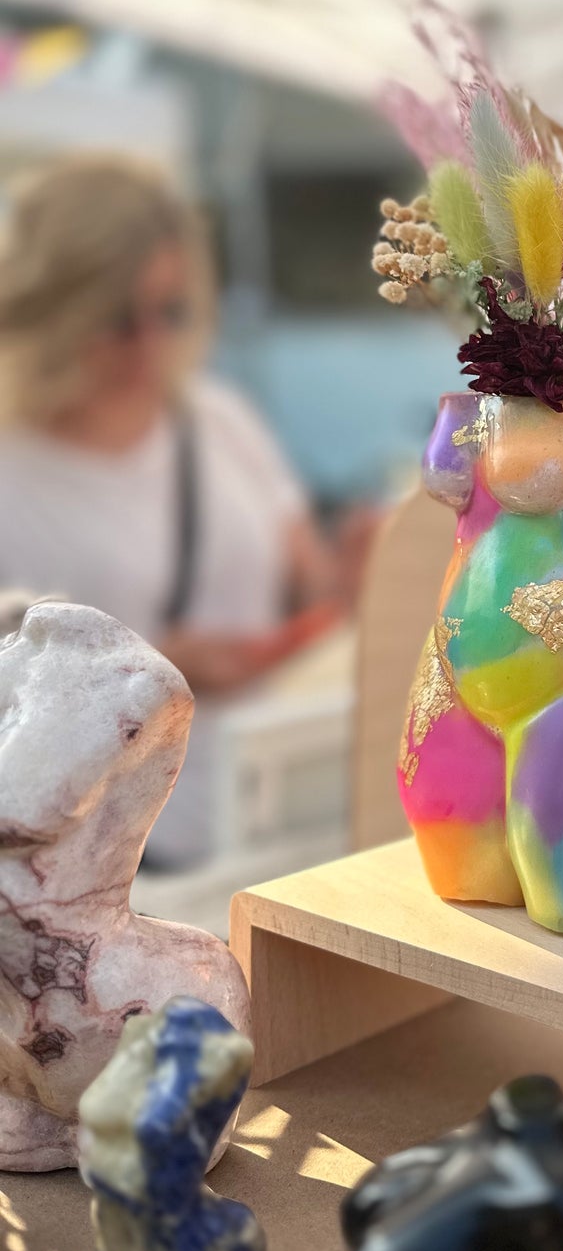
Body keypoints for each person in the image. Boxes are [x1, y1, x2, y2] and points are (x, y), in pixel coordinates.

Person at [0, 155, 361, 867]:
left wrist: (349, 584)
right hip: (104, 863)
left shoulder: (216, 420)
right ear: (48, 304)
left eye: (168, 310)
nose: (148, 342)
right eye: (114, 317)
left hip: (275, 819)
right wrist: (149, 677)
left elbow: (306, 583)